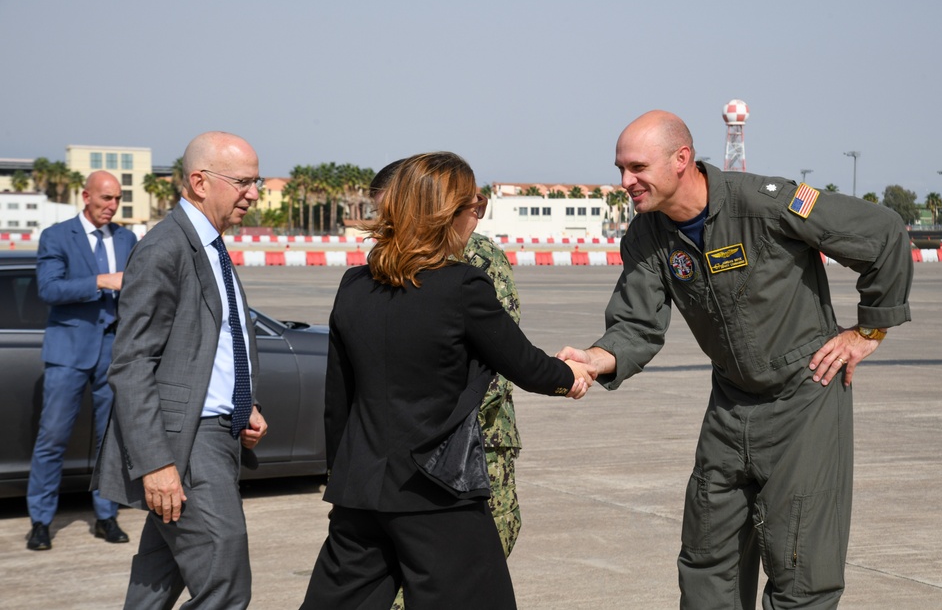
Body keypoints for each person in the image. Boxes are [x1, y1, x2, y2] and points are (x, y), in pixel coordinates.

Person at [558, 110, 914, 609]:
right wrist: (597, 359)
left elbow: (882, 232)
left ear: (681, 160)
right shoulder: (647, 235)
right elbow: (636, 324)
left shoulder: (765, 205)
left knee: (801, 568)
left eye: (636, 167)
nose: (625, 181)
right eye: (620, 168)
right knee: (706, 558)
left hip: (803, 399)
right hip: (729, 407)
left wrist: (868, 330)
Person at [301, 151, 594, 610]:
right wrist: (572, 376)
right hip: (435, 489)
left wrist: (346, 474)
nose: (475, 219)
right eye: (472, 209)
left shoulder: (354, 285)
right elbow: (525, 365)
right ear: (446, 215)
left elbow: (338, 399)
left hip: (359, 492)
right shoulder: (461, 285)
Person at [93, 131, 269, 608]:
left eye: (257, 183)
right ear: (199, 181)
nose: (253, 194)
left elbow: (210, 343)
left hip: (211, 435)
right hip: (184, 447)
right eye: (243, 183)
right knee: (225, 587)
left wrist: (243, 403)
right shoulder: (165, 248)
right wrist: (156, 463)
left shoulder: (209, 244)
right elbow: (131, 364)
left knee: (153, 591)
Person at [370, 161, 526, 610]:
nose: (388, 223)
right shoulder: (384, 259)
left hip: (480, 439)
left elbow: (499, 355)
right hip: (405, 445)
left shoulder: (477, 255)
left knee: (494, 539)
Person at [26, 171, 137, 551]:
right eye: (106, 198)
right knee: (52, 439)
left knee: (110, 441)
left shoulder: (127, 238)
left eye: (117, 199)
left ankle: (106, 516)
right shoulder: (56, 236)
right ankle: (40, 521)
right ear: (86, 196)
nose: (112, 206)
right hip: (69, 353)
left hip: (115, 354)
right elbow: (49, 288)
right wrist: (102, 281)